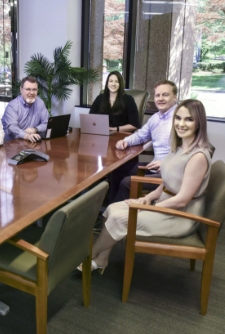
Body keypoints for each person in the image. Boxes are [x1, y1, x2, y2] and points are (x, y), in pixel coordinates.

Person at [83, 99, 212, 273]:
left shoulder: (198, 156)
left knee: (118, 218)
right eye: (178, 118)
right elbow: (167, 183)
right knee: (113, 208)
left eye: (188, 119)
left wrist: (151, 208)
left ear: (199, 123)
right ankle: (102, 259)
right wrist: (147, 198)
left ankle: (89, 256)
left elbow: (182, 200)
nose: (181, 124)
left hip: (180, 216)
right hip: (164, 204)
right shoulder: (179, 146)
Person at [109, 79, 178, 204]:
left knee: (126, 182)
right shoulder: (156, 118)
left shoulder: (179, 120)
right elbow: (140, 136)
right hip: (154, 167)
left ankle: (123, 213)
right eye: (158, 95)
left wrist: (165, 163)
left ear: (175, 98)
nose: (160, 98)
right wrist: (125, 141)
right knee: (117, 170)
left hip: (169, 174)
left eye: (165, 95)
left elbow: (185, 154)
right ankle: (112, 208)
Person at [2, 76, 49, 142]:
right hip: (13, 144)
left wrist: (35, 129)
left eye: (34, 89)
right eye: (28, 89)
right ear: (21, 89)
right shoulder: (12, 106)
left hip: (32, 143)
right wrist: (27, 136)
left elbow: (46, 123)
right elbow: (12, 127)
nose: (32, 93)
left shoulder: (40, 103)